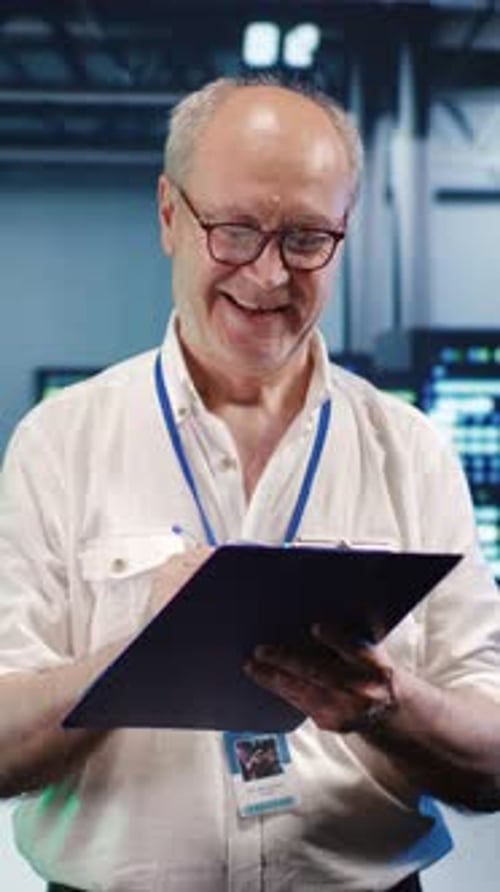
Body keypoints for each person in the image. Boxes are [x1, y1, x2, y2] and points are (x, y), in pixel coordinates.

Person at [0, 74, 500, 892]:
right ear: (169, 214)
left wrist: (388, 705)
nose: (268, 277)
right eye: (234, 231)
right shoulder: (59, 444)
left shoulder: (411, 451)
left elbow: (493, 758)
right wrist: (138, 660)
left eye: (306, 238)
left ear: (344, 231)